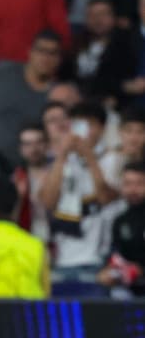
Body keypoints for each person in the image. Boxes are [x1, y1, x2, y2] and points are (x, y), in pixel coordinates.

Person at [40, 102, 118, 278]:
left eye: (89, 125)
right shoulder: (60, 162)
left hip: (97, 258)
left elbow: (105, 197)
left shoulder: (112, 159)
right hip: (62, 258)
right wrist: (62, 156)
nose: (82, 132)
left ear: (101, 128)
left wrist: (89, 156)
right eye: (77, 125)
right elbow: (48, 202)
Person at [0, 30, 62, 169]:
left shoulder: (58, 93)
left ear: (59, 59)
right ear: (30, 51)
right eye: (41, 50)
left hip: (31, 167)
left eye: (52, 53)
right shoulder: (4, 72)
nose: (45, 58)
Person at [73, 0, 135, 105]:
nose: (98, 20)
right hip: (77, 100)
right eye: (92, 15)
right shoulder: (76, 44)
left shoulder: (125, 46)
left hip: (112, 103)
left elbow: (125, 83)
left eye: (102, 14)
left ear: (114, 17)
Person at [97, 162, 145, 296]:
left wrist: (141, 270)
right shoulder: (120, 221)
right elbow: (116, 255)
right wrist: (109, 270)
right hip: (129, 289)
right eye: (128, 184)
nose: (133, 189)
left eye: (139, 183)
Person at [17, 122, 52, 242]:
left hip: (59, 241)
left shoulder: (60, 173)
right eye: (28, 144)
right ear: (21, 149)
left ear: (47, 144)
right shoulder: (16, 178)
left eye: (39, 142)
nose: (34, 149)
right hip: (27, 240)